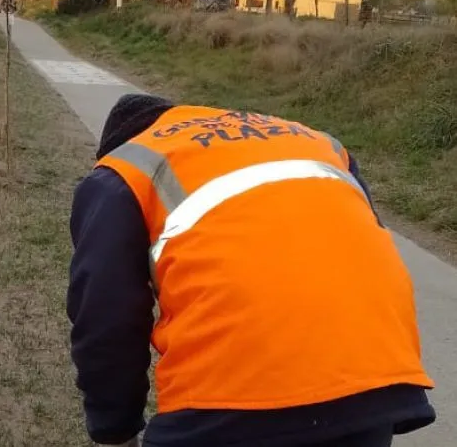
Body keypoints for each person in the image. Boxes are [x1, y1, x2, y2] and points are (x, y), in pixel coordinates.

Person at [67, 93, 436, 447]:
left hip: (229, 402)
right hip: (375, 382)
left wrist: (115, 428)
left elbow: (105, 313)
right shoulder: (320, 143)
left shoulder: (124, 169)